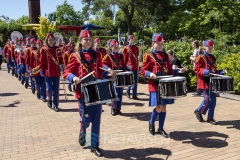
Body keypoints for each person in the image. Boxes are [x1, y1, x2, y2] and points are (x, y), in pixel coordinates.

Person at [63, 29, 104, 157]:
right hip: (82, 92)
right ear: (81, 41)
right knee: (85, 119)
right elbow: (66, 72)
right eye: (85, 40)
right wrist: (73, 78)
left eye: (90, 40)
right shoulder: (75, 56)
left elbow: (101, 71)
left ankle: (95, 145)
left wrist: (108, 73)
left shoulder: (97, 55)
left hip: (96, 91)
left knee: (96, 119)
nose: (88, 42)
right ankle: (82, 130)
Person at [140, 33, 174, 138]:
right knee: (159, 107)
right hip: (155, 84)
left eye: (161, 44)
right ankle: (151, 122)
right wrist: (150, 74)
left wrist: (176, 72)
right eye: (157, 43)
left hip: (165, 83)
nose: (160, 46)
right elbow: (143, 70)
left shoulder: (165, 55)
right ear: (153, 43)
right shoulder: (148, 55)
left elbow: (169, 68)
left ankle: (161, 129)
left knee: (164, 107)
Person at [194, 40, 225, 125]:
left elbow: (214, 71)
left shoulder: (213, 57)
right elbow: (196, 69)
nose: (210, 49)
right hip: (204, 81)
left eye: (211, 47)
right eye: (209, 47)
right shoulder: (200, 57)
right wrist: (205, 71)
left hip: (212, 81)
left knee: (213, 100)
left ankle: (210, 118)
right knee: (208, 99)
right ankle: (198, 111)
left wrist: (221, 72)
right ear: (204, 48)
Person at [102, 39, 129, 116]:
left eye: (117, 46)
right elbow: (103, 64)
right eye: (114, 46)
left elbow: (123, 65)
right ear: (111, 47)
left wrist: (127, 67)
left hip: (120, 76)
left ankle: (118, 108)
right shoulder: (108, 56)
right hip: (113, 76)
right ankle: (113, 108)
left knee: (120, 93)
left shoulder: (121, 55)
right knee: (114, 93)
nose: (116, 48)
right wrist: (108, 69)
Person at [39, 33, 64, 112]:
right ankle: (49, 99)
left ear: (54, 40)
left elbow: (61, 60)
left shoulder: (58, 49)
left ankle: (55, 105)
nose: (51, 41)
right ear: (47, 40)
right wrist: (41, 70)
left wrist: (61, 66)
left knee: (56, 90)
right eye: (49, 40)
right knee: (49, 88)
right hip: (48, 72)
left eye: (52, 40)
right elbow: (41, 61)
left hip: (56, 72)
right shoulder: (44, 49)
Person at [123, 35, 140, 100]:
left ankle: (134, 95)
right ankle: (128, 91)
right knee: (130, 81)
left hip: (135, 66)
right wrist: (125, 67)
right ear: (128, 40)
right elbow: (124, 58)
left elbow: (137, 55)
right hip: (129, 66)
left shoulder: (136, 48)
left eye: (133, 40)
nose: (132, 41)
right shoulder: (126, 48)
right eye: (131, 40)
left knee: (135, 82)